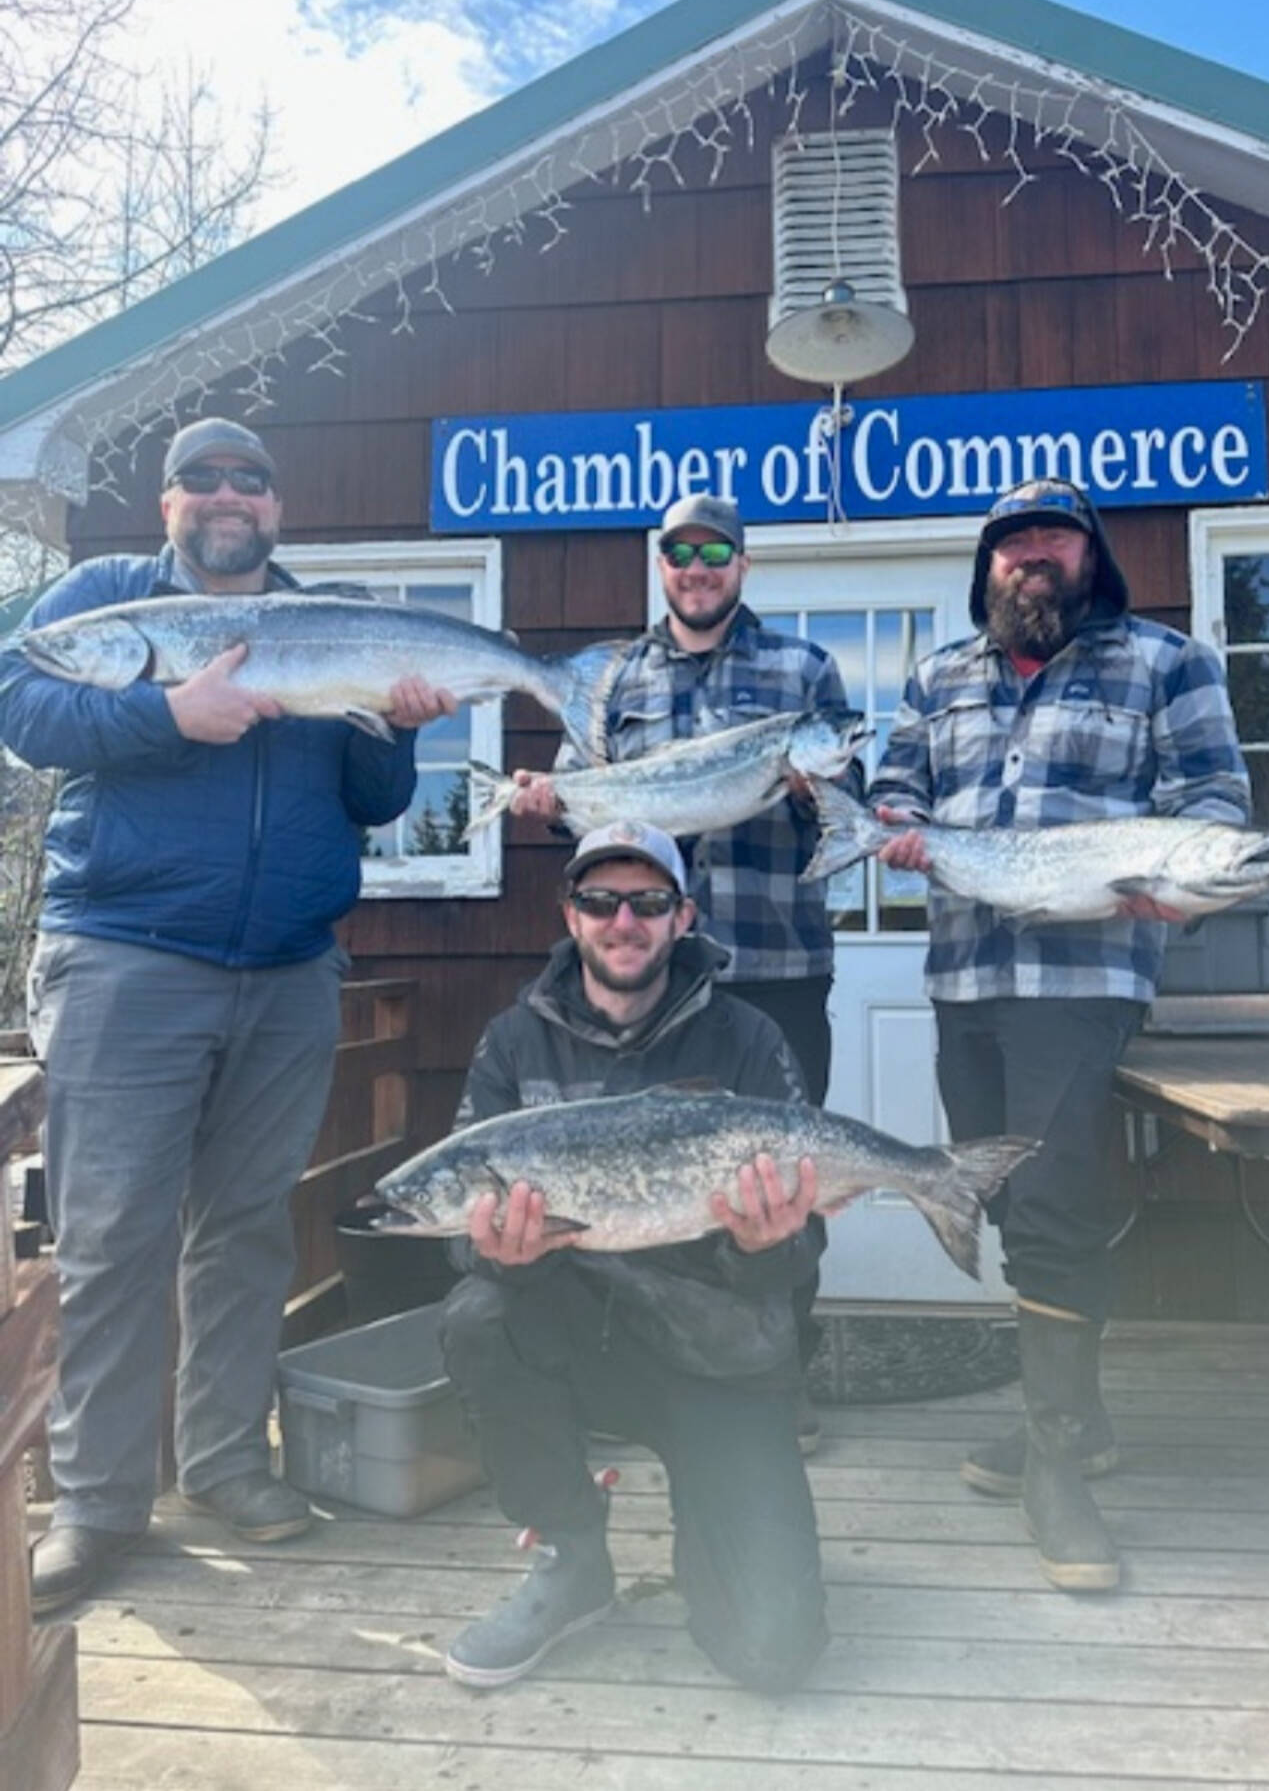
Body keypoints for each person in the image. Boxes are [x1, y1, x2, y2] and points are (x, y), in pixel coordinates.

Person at [0, 416, 455, 1614]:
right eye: (199, 480)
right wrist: (168, 716)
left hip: (290, 970)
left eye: (247, 480)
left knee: (248, 1228)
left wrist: (399, 726)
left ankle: (222, 1464)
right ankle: (97, 1505)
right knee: (111, 1238)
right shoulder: (107, 602)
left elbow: (372, 795)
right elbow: (24, 707)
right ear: (166, 506)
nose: (224, 497)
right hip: (125, 959)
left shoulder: (324, 624)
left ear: (276, 506)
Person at [871, 476, 1250, 1593]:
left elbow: (1217, 802)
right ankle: (1073, 1423)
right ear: (988, 564)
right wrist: (895, 831)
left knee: (1051, 1202)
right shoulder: (941, 675)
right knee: (986, 1185)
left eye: (1053, 539)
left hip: (1083, 977)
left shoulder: (1165, 663)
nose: (1031, 556)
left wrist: (1174, 878)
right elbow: (899, 786)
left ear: (1092, 556)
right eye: (1012, 542)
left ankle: (1055, 1470)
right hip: (965, 978)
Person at [438, 818, 830, 1693]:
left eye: (649, 902)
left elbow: (804, 1245)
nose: (625, 921)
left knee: (773, 1652)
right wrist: (505, 1256)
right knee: (480, 1315)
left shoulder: (750, 1040)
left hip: (721, 1352)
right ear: (569, 914)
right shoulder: (513, 1043)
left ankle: (719, 1529)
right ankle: (573, 1555)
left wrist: (764, 1245)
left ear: (683, 917)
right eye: (601, 901)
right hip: (578, 1340)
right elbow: (469, 1246)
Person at [505, 492, 858, 1446]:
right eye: (680, 552)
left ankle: (782, 1376)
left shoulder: (804, 673)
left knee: (788, 1187)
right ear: (659, 562)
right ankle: (644, 1378)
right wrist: (546, 798)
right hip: (649, 982)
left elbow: (849, 810)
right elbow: (584, 800)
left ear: (742, 565)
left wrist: (811, 789)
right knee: (651, 1187)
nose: (698, 568)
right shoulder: (614, 678)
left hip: (773, 960)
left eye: (716, 552)